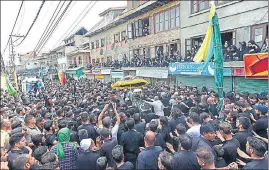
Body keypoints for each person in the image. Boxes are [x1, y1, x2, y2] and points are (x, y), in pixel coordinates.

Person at [99, 103, 120, 169]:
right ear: (110, 123)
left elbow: (99, 119)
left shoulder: (101, 129)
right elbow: (118, 120)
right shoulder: (113, 130)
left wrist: (104, 109)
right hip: (114, 148)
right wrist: (115, 110)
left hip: (105, 151)